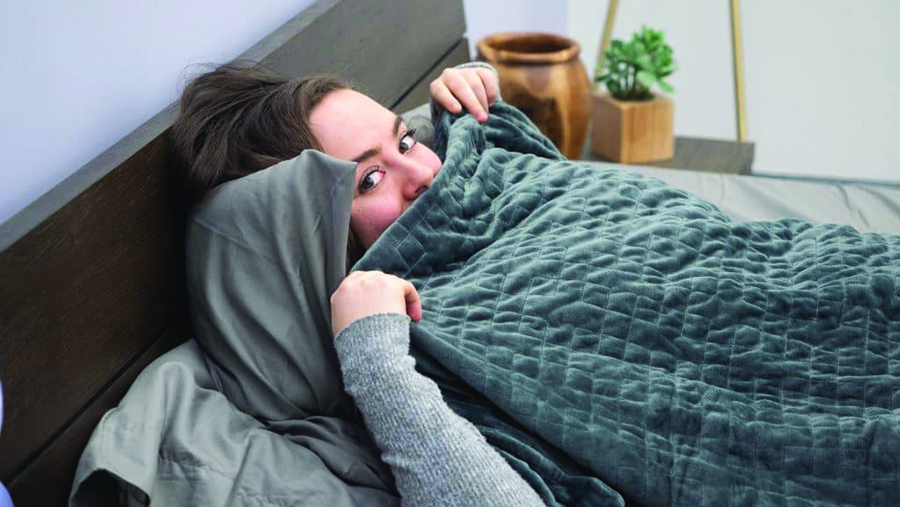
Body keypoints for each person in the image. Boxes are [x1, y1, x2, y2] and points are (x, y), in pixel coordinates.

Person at [171, 62, 547, 506]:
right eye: (370, 179)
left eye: (406, 140)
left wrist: (478, 105)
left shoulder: (462, 205)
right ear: (312, 246)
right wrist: (376, 361)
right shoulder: (403, 348)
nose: (423, 173)